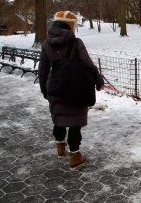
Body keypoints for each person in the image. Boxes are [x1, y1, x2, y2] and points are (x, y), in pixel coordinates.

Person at [38, 11, 104, 171]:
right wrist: (98, 80)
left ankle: (60, 146)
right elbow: (88, 64)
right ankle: (75, 156)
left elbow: (42, 70)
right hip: (76, 88)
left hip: (55, 87)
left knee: (59, 118)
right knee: (75, 124)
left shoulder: (46, 44)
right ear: (70, 25)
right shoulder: (76, 43)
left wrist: (45, 90)